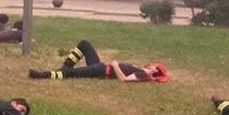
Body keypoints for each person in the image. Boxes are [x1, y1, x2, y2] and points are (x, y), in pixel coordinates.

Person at [28, 40, 168, 82]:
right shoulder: (141, 70)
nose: (151, 64)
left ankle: (42, 75)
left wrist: (114, 65)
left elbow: (125, 80)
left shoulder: (144, 74)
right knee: (85, 45)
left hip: (102, 71)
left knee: (70, 74)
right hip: (101, 66)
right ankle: (64, 68)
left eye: (154, 65)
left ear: (155, 70)